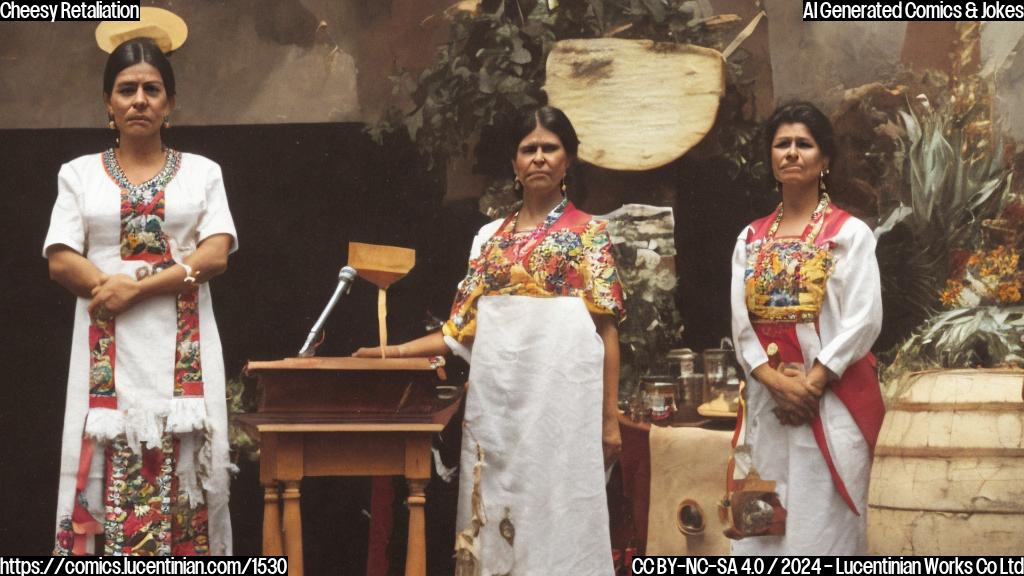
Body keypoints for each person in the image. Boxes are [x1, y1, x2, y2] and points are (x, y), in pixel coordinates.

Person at [354, 106, 624, 574]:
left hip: (563, 407)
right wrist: (388, 352)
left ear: (568, 159)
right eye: (528, 149)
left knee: (560, 517)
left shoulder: (589, 234)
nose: (539, 157)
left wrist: (610, 419)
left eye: (550, 148)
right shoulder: (488, 238)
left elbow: (606, 329)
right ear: (515, 163)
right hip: (497, 410)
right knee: (494, 513)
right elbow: (459, 331)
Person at [44, 31, 237, 556]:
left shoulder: (203, 173)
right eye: (127, 89)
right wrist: (110, 289)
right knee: (101, 462)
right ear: (108, 102)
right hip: (105, 347)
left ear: (170, 103)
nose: (139, 100)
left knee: (192, 468)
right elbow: (60, 256)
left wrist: (138, 287)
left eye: (152, 89)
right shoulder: (78, 174)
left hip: (184, 350)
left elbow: (216, 253)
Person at [729, 101, 885, 555]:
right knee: (765, 530)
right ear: (771, 158)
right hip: (769, 405)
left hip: (830, 403)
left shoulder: (851, 235)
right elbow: (742, 324)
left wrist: (812, 383)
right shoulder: (750, 239)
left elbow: (863, 318)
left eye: (804, 144)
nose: (792, 153)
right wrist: (774, 381)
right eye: (782, 144)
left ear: (825, 159)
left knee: (825, 530)